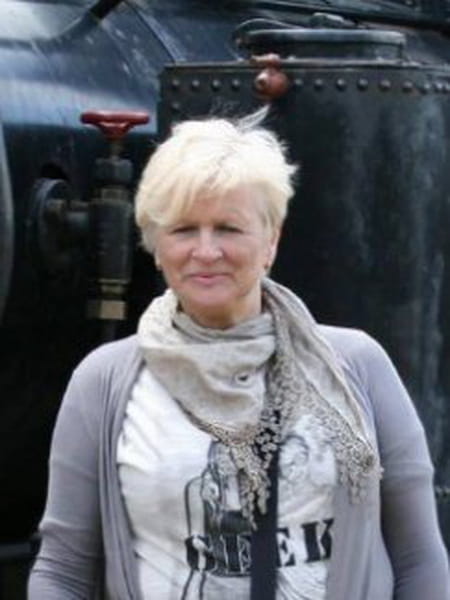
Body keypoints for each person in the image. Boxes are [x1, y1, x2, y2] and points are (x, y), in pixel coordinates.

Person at [28, 110, 449, 600]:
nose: (206, 251)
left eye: (228, 228)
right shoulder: (104, 383)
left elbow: (419, 560)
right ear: (155, 244)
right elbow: (63, 570)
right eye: (184, 229)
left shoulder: (357, 366)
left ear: (271, 240)